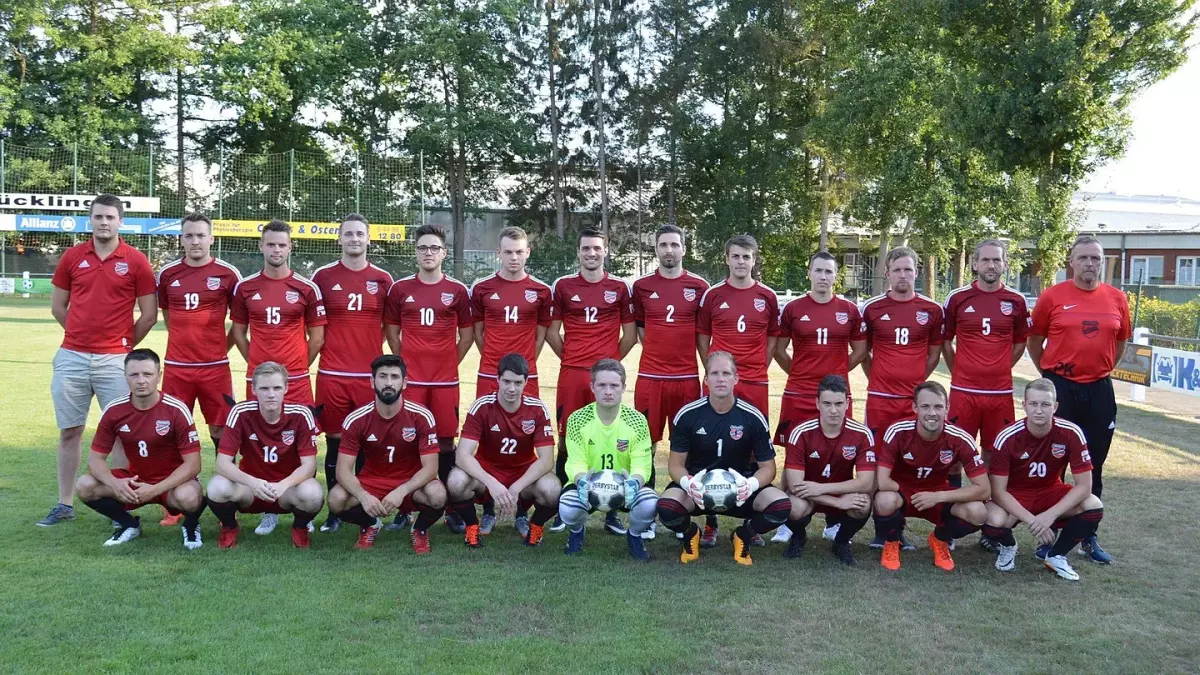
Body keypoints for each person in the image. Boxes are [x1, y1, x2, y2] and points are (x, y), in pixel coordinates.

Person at [40, 193, 158, 527]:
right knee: (70, 431)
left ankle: (119, 506)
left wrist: (122, 346)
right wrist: (80, 337)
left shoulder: (136, 260)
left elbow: (149, 315)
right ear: (90, 220)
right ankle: (64, 504)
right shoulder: (72, 256)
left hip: (115, 360)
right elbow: (57, 307)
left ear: (121, 221)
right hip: (72, 357)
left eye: (110, 217)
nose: (104, 222)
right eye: (98, 216)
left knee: (121, 432)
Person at [1027, 234, 1130, 564]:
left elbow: (1120, 343)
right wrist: (1050, 375)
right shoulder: (1052, 296)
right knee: (1053, 464)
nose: (1089, 263)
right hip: (1061, 386)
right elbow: (1034, 341)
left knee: (1093, 464)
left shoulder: (1117, 298)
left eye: (1095, 258)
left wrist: (1100, 369)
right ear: (1071, 262)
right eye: (1083, 257)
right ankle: (1050, 535)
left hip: (1099, 390)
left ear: (1102, 262)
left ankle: (1088, 534)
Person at [655, 352, 791, 566]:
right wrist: (688, 484)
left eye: (726, 373)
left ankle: (743, 535)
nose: (720, 379)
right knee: (666, 507)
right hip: (698, 491)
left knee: (781, 505)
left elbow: (768, 468)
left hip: (740, 491)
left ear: (736, 378)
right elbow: (675, 464)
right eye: (714, 373)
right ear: (706, 379)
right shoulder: (688, 414)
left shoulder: (753, 416)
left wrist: (750, 484)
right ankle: (691, 533)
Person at [385, 225, 477, 533]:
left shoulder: (458, 291)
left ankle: (451, 508)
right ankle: (404, 509)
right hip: (411, 382)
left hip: (444, 382)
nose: (428, 253)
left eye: (434, 248)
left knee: (446, 442)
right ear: (415, 252)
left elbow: (466, 337)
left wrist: (447, 363)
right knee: (406, 439)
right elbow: (393, 334)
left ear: (444, 253)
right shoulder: (400, 289)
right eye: (423, 247)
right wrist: (406, 367)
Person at [772, 251, 867, 544]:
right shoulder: (793, 308)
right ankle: (788, 520)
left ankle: (833, 521)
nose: (823, 276)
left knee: (839, 455)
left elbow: (860, 350)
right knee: (792, 455)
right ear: (809, 273)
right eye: (818, 270)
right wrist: (800, 373)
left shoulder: (849, 310)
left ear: (835, 276)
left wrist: (836, 375)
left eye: (829, 271)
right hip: (798, 394)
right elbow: (779, 350)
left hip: (836, 396)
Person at [546, 228, 636, 534]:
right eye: (586, 248)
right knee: (566, 439)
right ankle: (564, 507)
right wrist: (572, 358)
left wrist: (608, 366)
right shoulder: (564, 286)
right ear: (578, 252)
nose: (592, 253)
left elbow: (630, 336)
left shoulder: (619, 287)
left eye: (597, 248)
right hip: (572, 374)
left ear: (605, 251)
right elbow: (552, 333)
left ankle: (612, 511)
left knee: (612, 438)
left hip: (607, 378)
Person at [155, 212, 241, 527]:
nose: (195, 241)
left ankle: (225, 500)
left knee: (221, 431)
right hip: (177, 368)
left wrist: (218, 349)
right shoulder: (168, 274)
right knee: (172, 433)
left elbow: (239, 324)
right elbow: (169, 316)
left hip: (215, 369)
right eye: (189, 235)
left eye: (200, 235)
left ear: (211, 239)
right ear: (181, 239)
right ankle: (174, 503)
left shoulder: (228, 274)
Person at [695, 234, 780, 546]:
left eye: (746, 256)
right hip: (719, 382)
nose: (741, 262)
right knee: (709, 447)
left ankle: (750, 523)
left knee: (754, 451)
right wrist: (714, 370)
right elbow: (702, 336)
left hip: (755, 382)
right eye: (736, 256)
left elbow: (773, 338)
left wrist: (757, 367)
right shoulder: (713, 294)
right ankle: (711, 519)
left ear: (754, 260)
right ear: (727, 259)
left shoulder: (767, 296)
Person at [311, 214, 394, 533]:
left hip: (368, 377)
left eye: (360, 234)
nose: (354, 239)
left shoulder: (383, 279)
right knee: (334, 442)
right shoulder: (322, 276)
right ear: (340, 239)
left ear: (369, 239)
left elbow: (389, 328)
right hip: (332, 373)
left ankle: (364, 507)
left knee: (368, 442)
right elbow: (314, 326)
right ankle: (336, 510)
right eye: (348, 234)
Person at [73, 349, 205, 549]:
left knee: (189, 497)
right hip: (135, 481)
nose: (141, 380)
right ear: (125, 376)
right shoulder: (114, 410)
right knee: (85, 485)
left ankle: (191, 525)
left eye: (147, 374)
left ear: (159, 376)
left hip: (171, 484)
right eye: (134, 375)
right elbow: (95, 460)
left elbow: (193, 465)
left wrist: (154, 489)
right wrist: (116, 484)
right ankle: (129, 524)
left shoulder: (176, 409)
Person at [859, 246, 944, 550]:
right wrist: (879, 378)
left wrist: (916, 386)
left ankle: (899, 527)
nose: (903, 275)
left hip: (913, 402)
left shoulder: (931, 310)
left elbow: (934, 354)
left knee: (908, 462)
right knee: (878, 462)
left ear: (916, 272)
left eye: (908, 269)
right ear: (888, 274)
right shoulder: (872, 308)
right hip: (880, 400)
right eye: (897, 270)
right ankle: (881, 530)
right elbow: (864, 353)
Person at [983, 378, 1105, 581]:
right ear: (1024, 405)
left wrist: (1050, 515)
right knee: (992, 519)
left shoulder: (1071, 433)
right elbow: (998, 491)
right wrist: (1033, 521)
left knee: (1093, 504)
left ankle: (1056, 555)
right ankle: (1008, 545)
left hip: (1049, 491)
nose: (1039, 410)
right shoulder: (1007, 437)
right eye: (1033, 404)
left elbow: (1084, 486)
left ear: (1055, 407)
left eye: (1045, 404)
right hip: (1015, 494)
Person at [631, 225, 710, 536]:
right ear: (656, 249)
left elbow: (703, 335)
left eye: (674, 245)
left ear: (684, 249)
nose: (669, 250)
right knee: (644, 448)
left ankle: (681, 515)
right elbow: (640, 329)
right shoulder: (641, 286)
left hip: (686, 379)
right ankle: (646, 515)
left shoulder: (700, 287)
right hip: (650, 379)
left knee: (688, 449)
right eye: (663, 244)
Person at [326, 355, 447, 554]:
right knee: (336, 499)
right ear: (372, 381)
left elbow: (431, 468)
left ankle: (419, 529)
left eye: (394, 377)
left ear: (404, 383)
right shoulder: (356, 419)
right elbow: (342, 471)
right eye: (382, 376)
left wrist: (401, 491)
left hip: (410, 482)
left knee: (438, 495)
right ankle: (370, 524)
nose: (389, 383)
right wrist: (363, 496)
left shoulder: (421, 416)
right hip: (373, 481)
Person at [871, 381, 990, 571]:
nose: (932, 413)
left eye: (938, 407)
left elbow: (984, 490)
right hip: (903, 491)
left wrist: (938, 496)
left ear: (947, 408)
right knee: (884, 500)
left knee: (979, 513)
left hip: (937, 492)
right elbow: (882, 481)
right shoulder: (899, 431)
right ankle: (892, 542)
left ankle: (940, 539)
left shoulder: (960, 438)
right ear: (915, 407)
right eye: (925, 406)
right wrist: (910, 494)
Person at [445, 354, 560, 549]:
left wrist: (516, 488)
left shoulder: (537, 408)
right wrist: (491, 483)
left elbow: (547, 459)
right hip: (487, 471)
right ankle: (472, 526)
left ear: (526, 382)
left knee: (552, 489)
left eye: (518, 383)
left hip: (523, 473)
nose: (511, 388)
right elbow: (462, 455)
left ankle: (534, 526)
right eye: (506, 381)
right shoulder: (482, 406)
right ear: (497, 379)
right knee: (456, 481)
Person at [207, 362, 325, 549]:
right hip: (250, 490)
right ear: (253, 390)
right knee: (217, 487)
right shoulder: (240, 412)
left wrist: (284, 484)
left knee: (313, 492)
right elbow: (222, 463)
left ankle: (300, 528)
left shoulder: (301, 414)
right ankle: (229, 527)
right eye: (264, 388)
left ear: (286, 388)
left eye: (277, 388)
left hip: (286, 491)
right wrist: (253, 482)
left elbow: (309, 466)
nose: (271, 394)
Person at [558, 359, 657, 560]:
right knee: (567, 508)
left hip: (625, 488)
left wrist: (635, 482)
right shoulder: (577, 419)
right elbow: (575, 462)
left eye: (614, 385)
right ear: (592, 387)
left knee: (649, 503)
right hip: (588, 487)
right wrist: (580, 480)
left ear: (624, 388)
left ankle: (634, 535)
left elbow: (643, 464)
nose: (608, 391)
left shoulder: (637, 421)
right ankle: (576, 531)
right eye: (602, 385)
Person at [230, 219, 327, 406]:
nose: (276, 250)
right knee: (259, 425)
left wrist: (298, 367)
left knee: (301, 424)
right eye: (271, 245)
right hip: (259, 378)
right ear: (261, 246)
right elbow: (238, 334)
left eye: (282, 245)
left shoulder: (307, 288)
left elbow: (317, 339)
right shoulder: (244, 287)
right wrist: (258, 366)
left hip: (295, 378)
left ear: (290, 247)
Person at [781, 375, 875, 566]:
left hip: (831, 490)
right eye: (827, 404)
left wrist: (824, 489)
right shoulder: (801, 432)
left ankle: (841, 542)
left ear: (847, 403)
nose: (833, 410)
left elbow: (866, 483)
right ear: (817, 403)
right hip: (807, 495)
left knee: (863, 504)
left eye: (839, 403)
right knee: (792, 505)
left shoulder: (862, 434)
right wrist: (835, 502)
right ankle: (798, 537)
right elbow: (795, 485)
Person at [469, 226, 553, 399]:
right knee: (487, 416)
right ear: (498, 253)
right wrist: (492, 358)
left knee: (527, 416)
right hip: (490, 371)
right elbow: (478, 333)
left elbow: (540, 337)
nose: (514, 257)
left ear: (528, 252)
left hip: (525, 372)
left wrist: (525, 363)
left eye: (519, 252)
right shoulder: (481, 288)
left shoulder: (542, 290)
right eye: (508, 252)